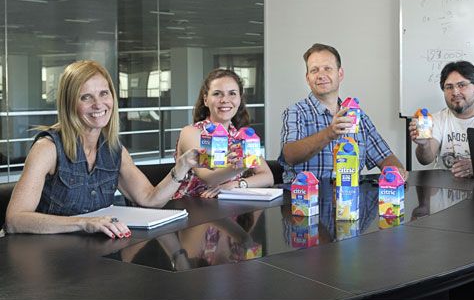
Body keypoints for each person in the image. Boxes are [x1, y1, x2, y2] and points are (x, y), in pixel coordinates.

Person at [4, 60, 200, 238]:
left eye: (103, 93)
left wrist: (182, 166)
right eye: (86, 97)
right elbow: (15, 220)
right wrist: (83, 222)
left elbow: (149, 198)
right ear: (69, 103)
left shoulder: (113, 149)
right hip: (42, 258)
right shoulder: (47, 148)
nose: (98, 104)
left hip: (90, 256)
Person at [279, 43, 406, 183]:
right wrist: (330, 133)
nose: (321, 75)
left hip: (350, 198)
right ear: (308, 78)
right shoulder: (296, 112)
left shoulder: (358, 116)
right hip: (305, 199)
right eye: (314, 70)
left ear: (340, 74)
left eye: (327, 68)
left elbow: (385, 157)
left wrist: (395, 171)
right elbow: (289, 155)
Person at [175, 68, 273, 198]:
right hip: (193, 207)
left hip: (229, 206)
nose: (225, 100)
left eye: (232, 93)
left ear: (239, 99)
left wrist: (236, 184)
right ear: (206, 100)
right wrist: (242, 166)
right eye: (217, 94)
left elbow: (267, 177)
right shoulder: (192, 132)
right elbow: (209, 178)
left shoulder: (238, 134)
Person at [408, 61, 474, 178]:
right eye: (449, 87)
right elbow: (425, 160)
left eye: (461, 85)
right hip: (444, 188)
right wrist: (424, 145)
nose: (455, 92)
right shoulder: (437, 119)